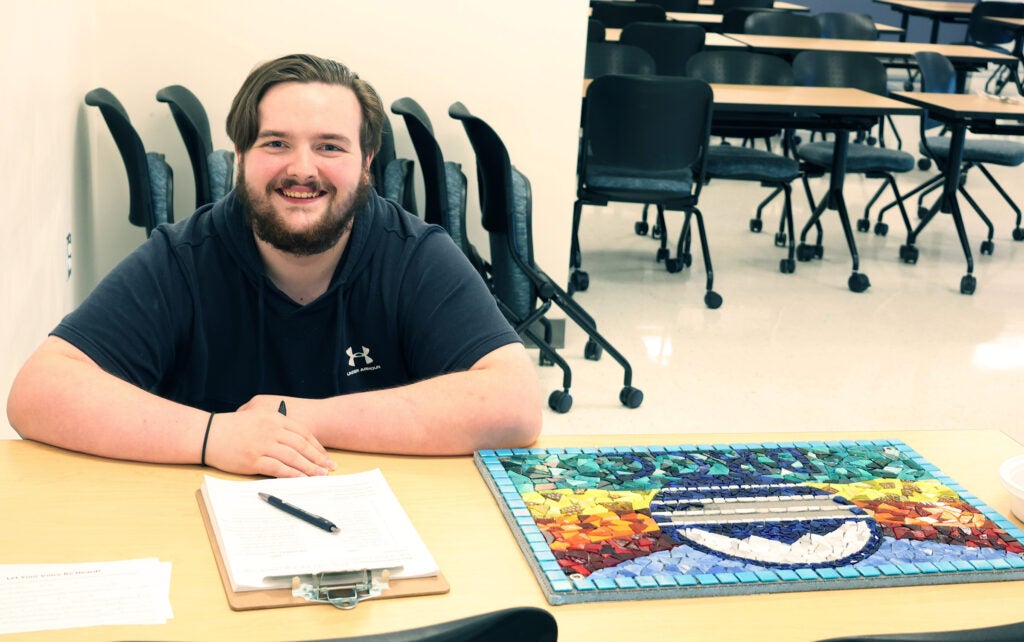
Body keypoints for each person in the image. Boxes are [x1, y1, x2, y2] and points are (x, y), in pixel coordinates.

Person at [8, 54, 542, 478]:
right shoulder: (184, 257)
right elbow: (40, 392)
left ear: (366, 165)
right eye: (276, 143)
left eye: (329, 146)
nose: (301, 169)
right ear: (240, 157)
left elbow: (514, 405)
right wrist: (214, 437)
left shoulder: (415, 254)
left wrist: (294, 418)